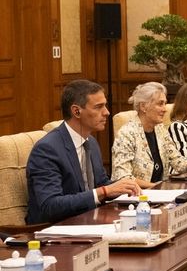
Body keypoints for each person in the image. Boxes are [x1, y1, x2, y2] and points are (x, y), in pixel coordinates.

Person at [26, 80, 141, 224]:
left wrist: (123, 186)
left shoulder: (90, 142)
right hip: (56, 231)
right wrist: (104, 191)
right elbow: (51, 205)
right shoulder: (47, 150)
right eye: (99, 107)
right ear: (76, 111)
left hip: (90, 221)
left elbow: (100, 183)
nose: (107, 112)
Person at [111, 82, 187, 189]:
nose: (165, 109)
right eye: (160, 104)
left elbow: (179, 163)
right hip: (135, 198)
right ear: (143, 106)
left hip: (159, 197)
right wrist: (159, 188)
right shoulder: (126, 134)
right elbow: (123, 177)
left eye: (165, 103)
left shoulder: (160, 129)